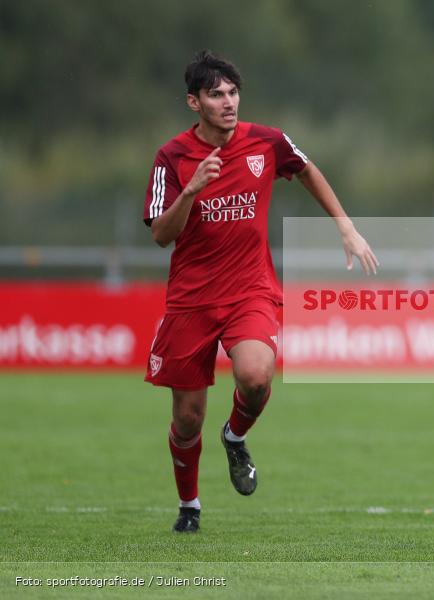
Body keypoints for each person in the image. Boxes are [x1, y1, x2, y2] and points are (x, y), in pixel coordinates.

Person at [143, 50, 378, 533]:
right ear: (194, 102)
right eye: (216, 95)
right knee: (187, 420)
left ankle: (235, 436)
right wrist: (191, 191)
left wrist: (345, 225)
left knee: (255, 376)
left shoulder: (266, 142)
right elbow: (162, 235)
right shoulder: (173, 157)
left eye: (233, 93)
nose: (228, 102)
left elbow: (306, 168)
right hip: (191, 299)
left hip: (250, 289)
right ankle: (189, 506)